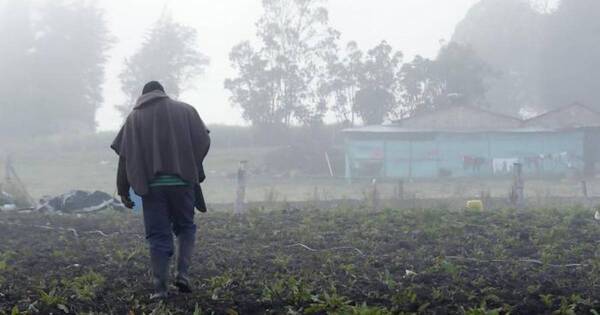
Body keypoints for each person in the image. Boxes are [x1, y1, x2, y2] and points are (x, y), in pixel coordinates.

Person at [111, 81, 211, 299]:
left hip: (152, 187)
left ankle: (160, 289)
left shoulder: (133, 118)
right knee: (185, 227)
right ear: (163, 93)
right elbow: (203, 140)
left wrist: (123, 189)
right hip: (182, 183)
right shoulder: (186, 110)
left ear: (143, 96)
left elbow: (124, 157)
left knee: (158, 235)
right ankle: (182, 274)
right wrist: (193, 164)